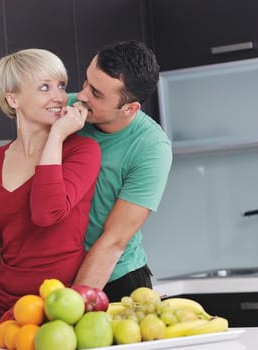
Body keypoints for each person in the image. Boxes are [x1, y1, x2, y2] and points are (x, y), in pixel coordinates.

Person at [0, 48, 101, 327]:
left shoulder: (82, 151)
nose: (59, 96)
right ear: (13, 98)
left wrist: (57, 135)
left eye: (60, 85)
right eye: (44, 87)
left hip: (64, 307)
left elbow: (47, 212)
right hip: (8, 309)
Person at [69, 40, 173, 301]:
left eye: (96, 93)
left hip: (116, 280)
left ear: (129, 108)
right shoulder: (68, 111)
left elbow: (114, 240)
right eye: (86, 82)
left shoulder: (151, 147)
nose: (81, 96)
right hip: (56, 275)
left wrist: (71, 306)